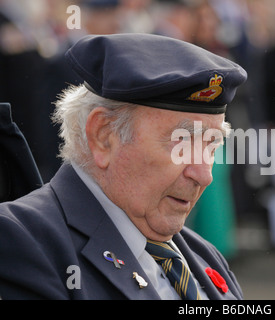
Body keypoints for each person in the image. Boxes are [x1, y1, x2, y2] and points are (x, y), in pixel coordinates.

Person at [0, 33, 247, 300]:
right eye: (182, 142)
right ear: (104, 136)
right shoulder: (21, 242)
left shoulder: (203, 255)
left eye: (212, 144)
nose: (204, 174)